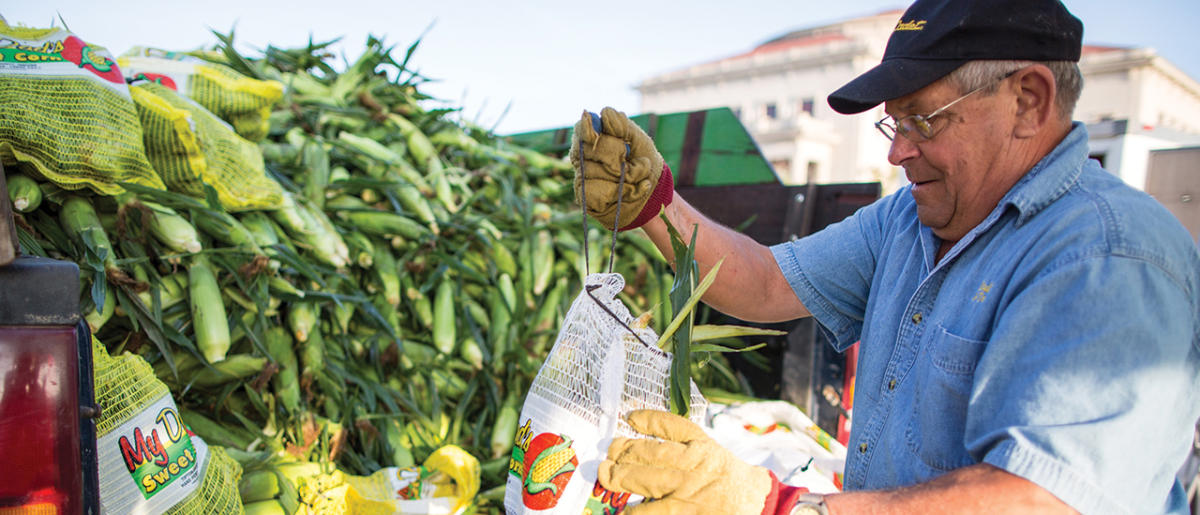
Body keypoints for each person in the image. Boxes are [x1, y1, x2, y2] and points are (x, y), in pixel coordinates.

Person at [568, 0, 1200, 513]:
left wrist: (780, 506)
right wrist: (655, 203)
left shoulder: (1109, 258)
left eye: (923, 121)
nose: (897, 153)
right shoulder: (908, 219)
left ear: (1027, 101)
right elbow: (764, 282)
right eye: (893, 123)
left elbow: (1046, 500)